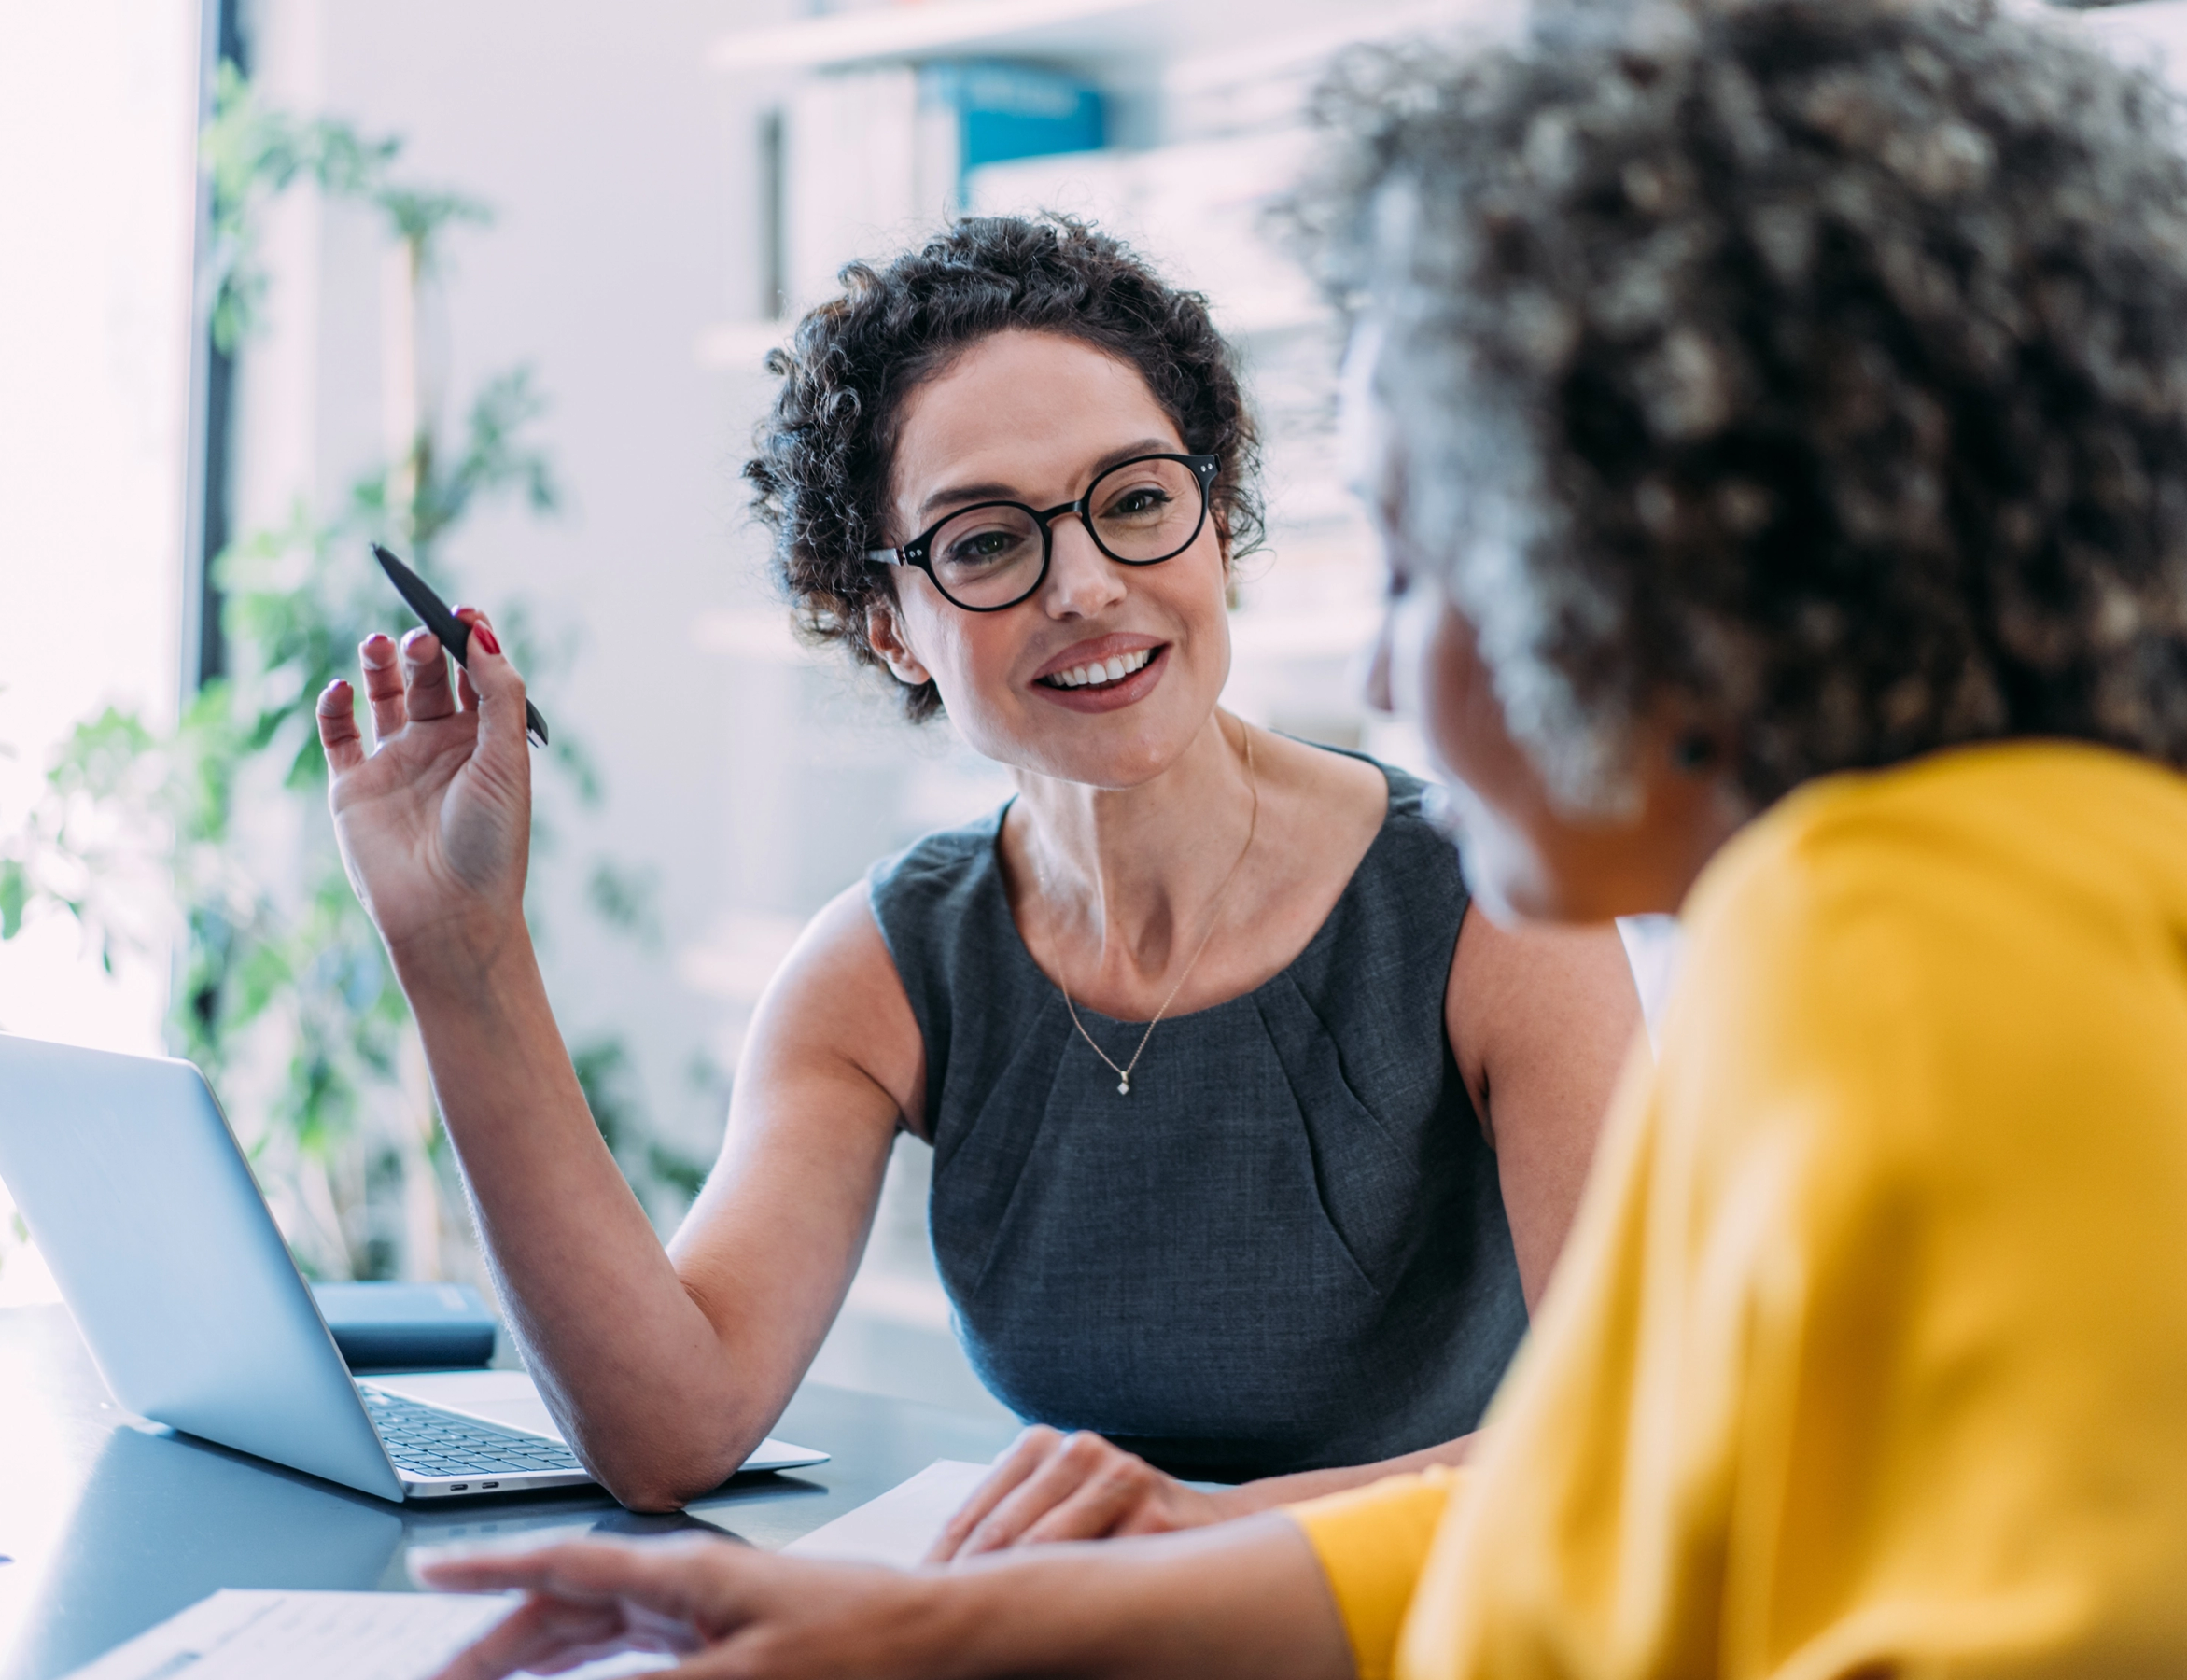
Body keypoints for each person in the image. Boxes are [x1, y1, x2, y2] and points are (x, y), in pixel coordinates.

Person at [414, 1, 2187, 1673]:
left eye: (1420, 563)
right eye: (989, 542)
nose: (1378, 669)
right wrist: (955, 1634)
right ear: (886, 618)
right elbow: (1628, 1511)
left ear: (1663, 561)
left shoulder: (1901, 946)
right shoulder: (1937, 903)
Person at [315, 216, 1644, 1534]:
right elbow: (667, 1430)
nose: (1085, 586)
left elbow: (1643, 1433)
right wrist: (460, 948)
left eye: (1138, 501)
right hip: (1073, 1621)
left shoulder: (1495, 901)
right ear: (890, 628)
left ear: (1217, 524)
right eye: (987, 541)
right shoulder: (883, 969)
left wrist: (1195, 1541)